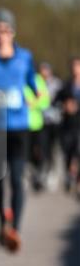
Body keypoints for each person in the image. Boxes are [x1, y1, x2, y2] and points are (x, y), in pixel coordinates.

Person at [0, 8, 39, 253]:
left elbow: (33, 83)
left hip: (18, 126)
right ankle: (3, 223)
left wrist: (35, 96)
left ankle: (15, 230)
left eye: (6, 29)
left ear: (13, 31)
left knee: (16, 179)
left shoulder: (25, 57)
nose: (2, 34)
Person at [57, 56, 80, 197]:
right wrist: (64, 106)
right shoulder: (65, 86)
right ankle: (69, 174)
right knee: (68, 155)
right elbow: (55, 102)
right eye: (73, 66)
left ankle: (78, 183)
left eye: (78, 66)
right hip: (67, 126)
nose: (75, 69)